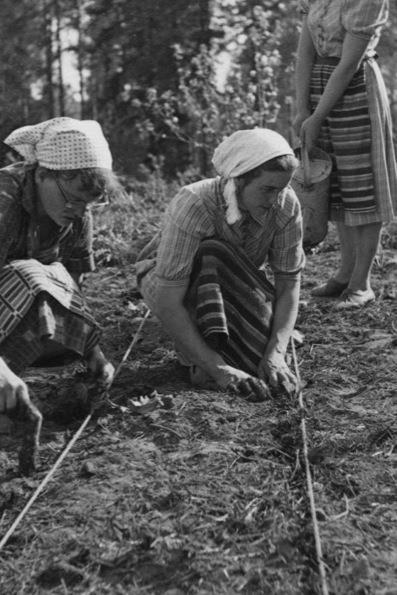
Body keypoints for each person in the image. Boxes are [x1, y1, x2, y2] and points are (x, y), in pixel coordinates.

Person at [136, 129, 304, 401]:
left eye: (282, 188)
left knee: (259, 359)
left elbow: (288, 283)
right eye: (267, 189)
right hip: (170, 281)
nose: (274, 200)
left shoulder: (286, 205)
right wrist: (218, 369)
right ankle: (207, 358)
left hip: (232, 280)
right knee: (212, 251)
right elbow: (169, 299)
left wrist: (276, 354)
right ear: (238, 181)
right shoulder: (195, 202)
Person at [0, 117, 122, 416]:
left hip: (13, 309)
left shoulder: (79, 216)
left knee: (52, 277)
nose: (78, 211)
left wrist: (93, 354)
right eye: (72, 200)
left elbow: (71, 290)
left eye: (88, 204)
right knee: (29, 273)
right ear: (42, 174)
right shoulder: (5, 197)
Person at [294, 0, 397, 309]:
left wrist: (318, 115)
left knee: (360, 184)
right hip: (317, 88)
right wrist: (302, 109)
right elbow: (306, 51)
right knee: (335, 183)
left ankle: (361, 283)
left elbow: (349, 63)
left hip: (353, 90)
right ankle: (344, 273)